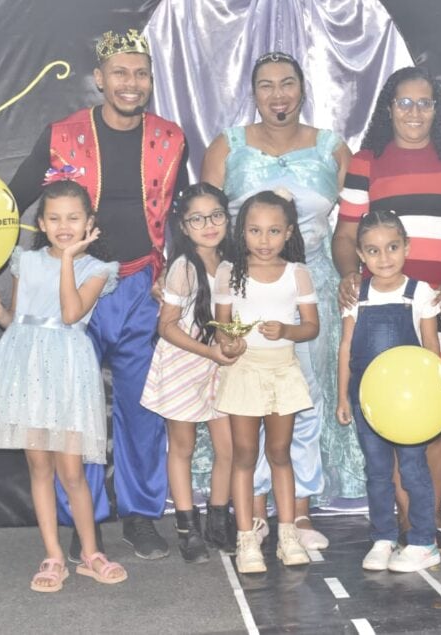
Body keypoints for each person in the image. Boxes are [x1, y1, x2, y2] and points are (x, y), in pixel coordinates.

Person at [0, 29, 186, 561]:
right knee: (70, 412)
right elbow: (9, 202)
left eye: (141, 73)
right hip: (72, 285)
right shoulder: (62, 134)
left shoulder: (171, 137)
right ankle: (81, 521)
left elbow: (178, 215)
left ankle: (140, 514)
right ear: (100, 79)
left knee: (142, 408)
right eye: (120, 72)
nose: (131, 83)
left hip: (140, 286)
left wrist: (177, 277)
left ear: (150, 81)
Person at [201, 51, 355, 550]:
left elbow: (350, 226)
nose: (278, 95)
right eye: (266, 85)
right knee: (249, 397)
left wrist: (353, 276)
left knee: (302, 398)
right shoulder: (228, 146)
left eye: (287, 83)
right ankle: (256, 511)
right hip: (245, 291)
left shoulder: (332, 148)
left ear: (303, 89)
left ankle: (300, 512)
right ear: (254, 93)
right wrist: (203, 285)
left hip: (311, 290)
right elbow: (207, 224)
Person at [333, 66, 441, 552]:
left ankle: (430, 516)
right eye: (405, 102)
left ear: (437, 110)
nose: (415, 112)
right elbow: (345, 235)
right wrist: (350, 275)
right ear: (389, 108)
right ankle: (404, 522)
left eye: (425, 103)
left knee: (433, 417)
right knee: (391, 413)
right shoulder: (366, 162)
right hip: (384, 308)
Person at [0, 180, 126, 591]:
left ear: (90, 222)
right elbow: (18, 319)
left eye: (73, 218)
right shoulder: (27, 261)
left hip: (68, 372)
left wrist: (69, 259)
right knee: (39, 467)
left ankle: (91, 553)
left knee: (72, 472)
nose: (64, 226)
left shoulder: (98, 269)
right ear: (40, 223)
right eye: (54, 218)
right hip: (27, 371)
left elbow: (71, 314)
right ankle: (53, 555)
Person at [212, 190, 319, 574]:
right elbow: (222, 325)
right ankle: (246, 539)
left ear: (288, 233)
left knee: (279, 452)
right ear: (242, 231)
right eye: (255, 230)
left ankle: (287, 535)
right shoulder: (229, 271)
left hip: (283, 370)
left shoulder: (297, 273)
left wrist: (287, 330)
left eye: (274, 231)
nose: (264, 240)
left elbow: (311, 327)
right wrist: (230, 341)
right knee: (243, 455)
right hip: (244, 371)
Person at [336, 211, 441, 573]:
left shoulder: (420, 292)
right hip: (367, 401)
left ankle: (424, 541)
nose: (384, 258)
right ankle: (383, 537)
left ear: (407, 247)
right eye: (373, 250)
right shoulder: (357, 295)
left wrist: (433, 398)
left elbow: (431, 348)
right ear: (361, 255)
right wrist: (342, 396)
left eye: (392, 247)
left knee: (413, 469)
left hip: (411, 404)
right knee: (377, 471)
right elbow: (346, 347)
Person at [141, 184, 236, 562]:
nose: (209, 225)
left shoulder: (230, 263)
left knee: (229, 448)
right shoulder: (182, 267)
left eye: (216, 215)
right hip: (183, 362)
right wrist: (208, 351)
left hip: (218, 365)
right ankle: (187, 528)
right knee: (182, 446)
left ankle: (218, 521)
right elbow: (166, 326)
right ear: (183, 226)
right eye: (197, 219)